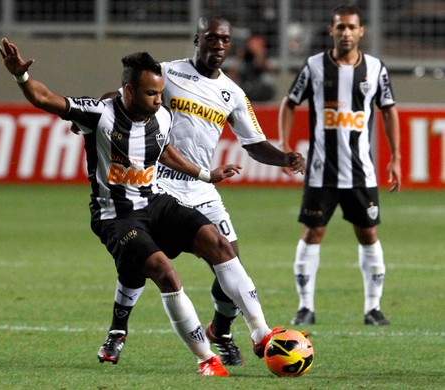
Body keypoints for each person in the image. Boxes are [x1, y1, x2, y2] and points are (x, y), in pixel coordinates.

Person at [0, 38, 283, 376]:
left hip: (154, 202)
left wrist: (207, 174)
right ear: (129, 90)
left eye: (161, 93)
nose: (159, 100)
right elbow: (44, 98)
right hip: (116, 216)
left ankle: (261, 333)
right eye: (151, 93)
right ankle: (206, 359)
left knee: (218, 244)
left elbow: (164, 152)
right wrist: (22, 78)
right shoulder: (99, 114)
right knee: (164, 272)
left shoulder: (161, 118)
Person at [95, 15, 305, 367]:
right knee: (140, 260)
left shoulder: (233, 93)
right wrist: (94, 116)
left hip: (201, 186)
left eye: (224, 40)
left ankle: (222, 329)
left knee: (228, 256)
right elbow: (122, 98)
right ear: (198, 39)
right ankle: (118, 330)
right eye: (211, 38)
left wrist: (284, 156)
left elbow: (253, 144)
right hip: (156, 182)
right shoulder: (167, 73)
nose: (218, 46)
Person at [278, 4, 401, 326]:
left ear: (361, 31)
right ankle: (305, 307)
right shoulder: (315, 67)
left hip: (361, 171)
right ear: (332, 31)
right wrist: (285, 144)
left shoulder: (375, 69)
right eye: (340, 27)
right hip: (321, 171)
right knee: (313, 233)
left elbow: (389, 110)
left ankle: (373, 309)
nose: (345, 33)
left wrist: (396, 158)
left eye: (351, 27)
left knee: (368, 233)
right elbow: (289, 102)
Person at [229, 35, 276, 102]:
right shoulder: (244, 59)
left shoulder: (266, 58)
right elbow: (232, 76)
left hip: (262, 90)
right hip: (246, 90)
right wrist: (238, 59)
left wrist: (258, 54)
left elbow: (269, 70)